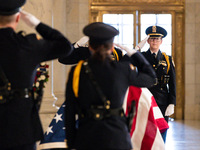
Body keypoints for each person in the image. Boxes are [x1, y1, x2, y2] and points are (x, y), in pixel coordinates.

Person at [65, 22, 156, 150]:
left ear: (90, 47)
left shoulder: (77, 71)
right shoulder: (123, 69)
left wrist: (72, 143)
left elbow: (70, 110)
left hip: (86, 136)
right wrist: (134, 53)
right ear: (112, 47)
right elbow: (151, 78)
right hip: (116, 136)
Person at [0, 0, 73, 150]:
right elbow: (65, 46)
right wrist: (37, 24)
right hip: (21, 127)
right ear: (19, 18)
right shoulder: (28, 45)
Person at [142, 25, 176, 142]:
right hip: (146, 100)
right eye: (152, 39)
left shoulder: (167, 59)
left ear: (161, 41)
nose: (154, 41)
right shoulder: (141, 57)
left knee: (161, 132)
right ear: (148, 41)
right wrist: (136, 48)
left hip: (162, 101)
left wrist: (172, 103)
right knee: (146, 132)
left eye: (157, 39)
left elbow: (172, 83)